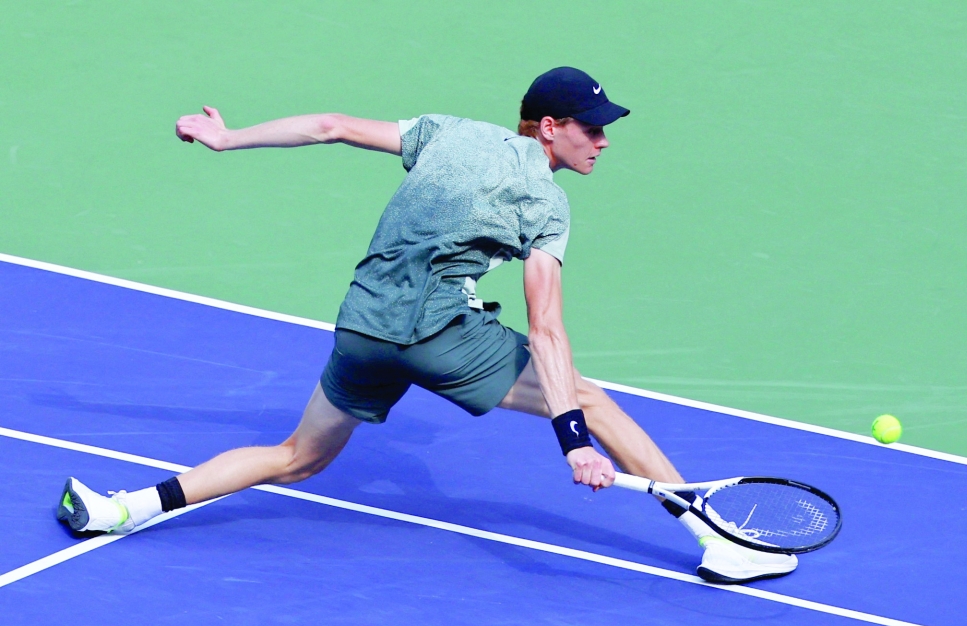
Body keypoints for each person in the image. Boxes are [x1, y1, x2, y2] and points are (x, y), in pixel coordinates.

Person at [55, 67, 796, 584]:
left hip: (362, 327)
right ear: (549, 127)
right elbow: (549, 331)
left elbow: (331, 125)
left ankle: (122, 509)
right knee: (592, 399)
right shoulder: (548, 204)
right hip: (439, 335)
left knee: (296, 457)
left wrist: (229, 137)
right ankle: (719, 540)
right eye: (591, 129)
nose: (602, 141)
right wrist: (572, 437)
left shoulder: (449, 132)